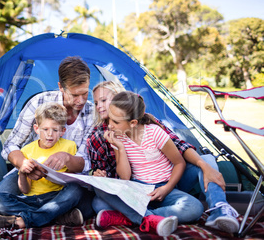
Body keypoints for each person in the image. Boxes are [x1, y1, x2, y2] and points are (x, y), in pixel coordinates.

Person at [89, 81, 239, 234]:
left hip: (165, 185)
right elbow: (125, 177)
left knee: (195, 206)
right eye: (96, 102)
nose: (109, 125)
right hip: (138, 189)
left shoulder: (153, 129)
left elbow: (179, 156)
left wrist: (167, 188)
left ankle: (219, 209)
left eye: (103, 100)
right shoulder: (116, 136)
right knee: (99, 199)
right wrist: (119, 148)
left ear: (132, 122)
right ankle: (149, 217)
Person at [0, 56, 96, 221]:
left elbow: (85, 161)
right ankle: (57, 214)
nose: (80, 101)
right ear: (61, 87)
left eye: (85, 93)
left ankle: (27, 217)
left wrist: (66, 158)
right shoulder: (39, 102)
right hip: (32, 180)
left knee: (84, 203)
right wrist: (24, 164)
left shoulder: (93, 114)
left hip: (69, 183)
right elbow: (11, 144)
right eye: (74, 94)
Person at [0, 103, 84, 232]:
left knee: (76, 190)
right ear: (36, 129)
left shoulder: (69, 146)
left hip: (56, 198)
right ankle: (57, 217)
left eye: (55, 130)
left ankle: (17, 220)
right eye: (45, 129)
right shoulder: (28, 150)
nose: (50, 135)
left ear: (63, 131)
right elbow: (25, 190)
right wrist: (22, 173)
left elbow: (71, 178)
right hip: (31, 200)